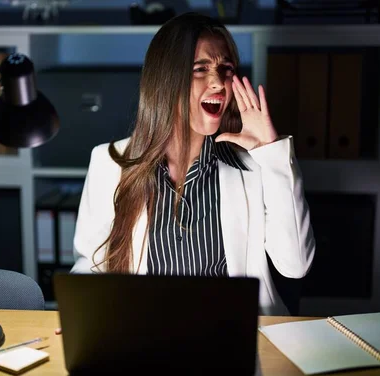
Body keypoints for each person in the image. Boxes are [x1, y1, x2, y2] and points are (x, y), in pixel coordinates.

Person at [70, 12, 315, 316]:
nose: (219, 82)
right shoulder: (109, 163)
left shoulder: (255, 165)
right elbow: (89, 266)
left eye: (226, 69)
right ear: (166, 80)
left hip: (234, 333)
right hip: (145, 335)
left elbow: (296, 265)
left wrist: (272, 152)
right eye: (200, 69)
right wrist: (81, 313)